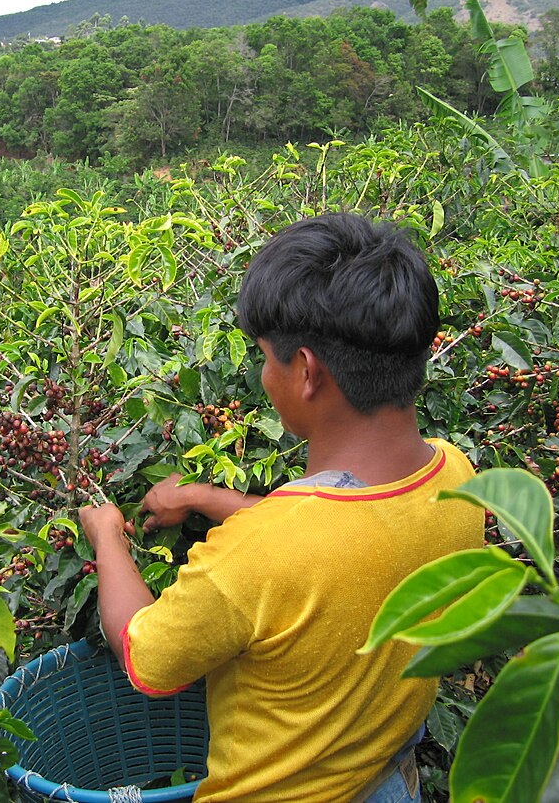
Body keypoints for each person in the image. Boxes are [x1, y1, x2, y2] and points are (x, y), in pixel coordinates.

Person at [79, 213, 483, 802]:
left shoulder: (263, 553)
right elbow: (337, 532)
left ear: (307, 372)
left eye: (266, 357)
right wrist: (203, 498)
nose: (263, 375)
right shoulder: (457, 475)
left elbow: (146, 658)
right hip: (389, 779)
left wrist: (108, 536)